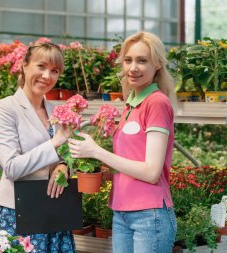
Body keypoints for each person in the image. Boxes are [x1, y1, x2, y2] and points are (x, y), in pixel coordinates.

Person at [68, 31, 177, 253]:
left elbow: (151, 172)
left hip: (149, 215)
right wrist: (102, 174)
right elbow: (131, 162)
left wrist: (96, 152)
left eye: (142, 60)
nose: (133, 68)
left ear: (157, 64)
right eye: (128, 60)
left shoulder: (156, 103)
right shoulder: (131, 104)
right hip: (121, 212)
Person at [0, 42, 75, 253]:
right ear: (24, 65)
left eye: (54, 71)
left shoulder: (56, 110)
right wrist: (55, 142)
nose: (47, 75)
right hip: (20, 213)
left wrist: (64, 166)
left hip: (55, 212)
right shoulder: (5, 108)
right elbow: (11, 167)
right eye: (41, 66)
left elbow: (67, 155)